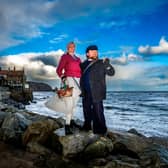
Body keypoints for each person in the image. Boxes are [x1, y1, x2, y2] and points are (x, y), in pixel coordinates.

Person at [80, 45, 115, 136]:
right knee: (86, 110)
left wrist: (107, 64)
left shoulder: (101, 62)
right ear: (87, 53)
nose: (95, 52)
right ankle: (87, 126)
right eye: (92, 51)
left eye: (96, 51)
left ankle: (101, 130)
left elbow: (111, 73)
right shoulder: (83, 64)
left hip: (97, 91)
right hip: (86, 92)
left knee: (98, 111)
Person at [56, 42, 81, 135]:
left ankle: (72, 121)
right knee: (69, 103)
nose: (72, 48)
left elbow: (82, 71)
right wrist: (63, 77)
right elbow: (59, 70)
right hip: (70, 80)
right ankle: (67, 125)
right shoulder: (64, 57)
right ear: (67, 48)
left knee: (74, 103)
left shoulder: (78, 59)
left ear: (75, 48)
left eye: (73, 46)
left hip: (78, 82)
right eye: (70, 47)